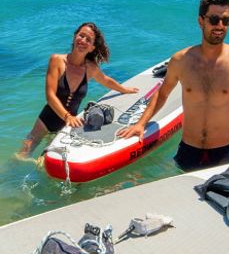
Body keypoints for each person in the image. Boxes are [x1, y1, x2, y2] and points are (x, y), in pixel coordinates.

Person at [116, 0, 229, 171]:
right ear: (201, 21)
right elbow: (162, 94)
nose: (220, 26)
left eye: (226, 20)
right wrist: (141, 124)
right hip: (187, 151)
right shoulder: (180, 60)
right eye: (214, 19)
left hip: (223, 153)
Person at [18, 22, 139, 156]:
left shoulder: (90, 68)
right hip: (46, 120)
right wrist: (67, 116)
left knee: (45, 162)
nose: (83, 40)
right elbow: (50, 95)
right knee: (21, 156)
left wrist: (124, 89)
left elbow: (105, 80)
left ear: (92, 47)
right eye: (81, 36)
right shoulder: (57, 60)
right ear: (74, 37)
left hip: (67, 126)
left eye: (88, 40)